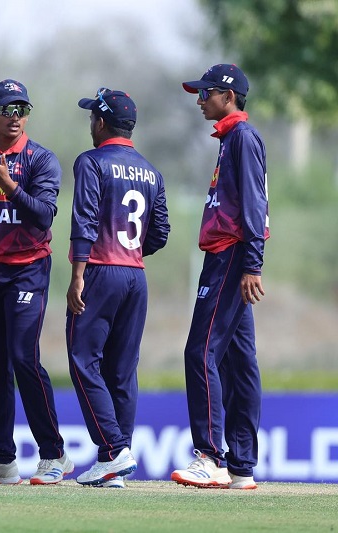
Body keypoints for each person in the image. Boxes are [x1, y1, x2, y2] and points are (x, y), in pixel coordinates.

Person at [0, 79, 71, 485]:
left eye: (22, 109)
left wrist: (7, 183)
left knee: (23, 357)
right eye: (7, 109)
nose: (15, 117)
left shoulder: (41, 159)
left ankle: (53, 454)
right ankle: (1, 460)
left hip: (27, 267)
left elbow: (42, 216)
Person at [171, 64, 268, 490]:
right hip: (227, 255)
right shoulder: (231, 139)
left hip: (231, 255)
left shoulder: (242, 137)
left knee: (200, 351)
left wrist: (252, 264)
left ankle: (210, 457)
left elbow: (255, 205)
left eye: (205, 93)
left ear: (228, 96)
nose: (199, 100)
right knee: (238, 360)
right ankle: (241, 466)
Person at [67, 88, 170, 488]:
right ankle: (114, 464)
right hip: (135, 275)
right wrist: (131, 251)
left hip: (99, 270)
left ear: (101, 122)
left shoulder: (91, 161)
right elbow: (160, 232)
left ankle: (113, 451)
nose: (90, 124)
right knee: (122, 370)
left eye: (92, 117)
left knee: (83, 359)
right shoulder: (151, 171)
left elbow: (84, 219)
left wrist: (78, 274)